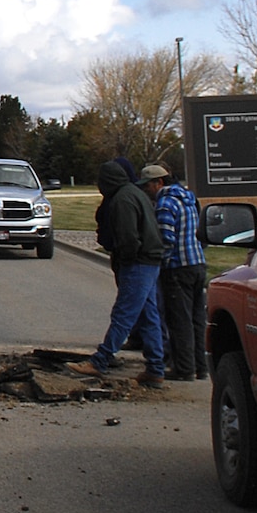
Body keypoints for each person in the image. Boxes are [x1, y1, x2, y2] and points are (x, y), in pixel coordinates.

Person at [71, 159, 167, 386]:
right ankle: (155, 368)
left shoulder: (122, 200)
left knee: (124, 313)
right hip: (152, 261)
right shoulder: (136, 193)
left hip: (137, 263)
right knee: (148, 316)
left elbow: (128, 239)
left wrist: (124, 260)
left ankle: (101, 360)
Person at [141, 164, 207, 381]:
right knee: (197, 320)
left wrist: (158, 265)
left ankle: (184, 369)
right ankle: (201, 366)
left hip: (178, 268)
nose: (147, 190)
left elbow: (166, 239)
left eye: (148, 186)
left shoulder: (165, 203)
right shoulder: (187, 198)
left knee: (180, 320)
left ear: (159, 182)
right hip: (197, 264)